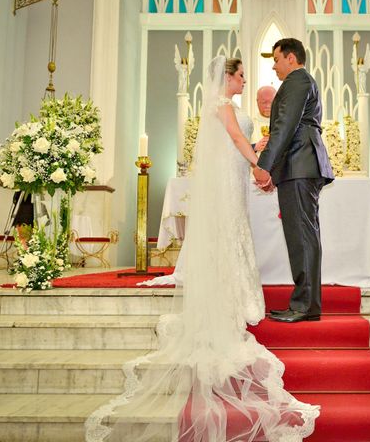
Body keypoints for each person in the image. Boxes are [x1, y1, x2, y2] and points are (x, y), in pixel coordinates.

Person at [85, 56, 319, 441]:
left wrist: (257, 157)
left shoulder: (226, 107)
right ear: (227, 77)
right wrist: (261, 164)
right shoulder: (222, 106)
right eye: (241, 75)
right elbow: (239, 140)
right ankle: (229, 298)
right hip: (229, 185)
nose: (245, 80)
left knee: (234, 235)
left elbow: (240, 141)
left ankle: (234, 294)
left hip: (234, 181)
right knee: (228, 235)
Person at [253, 38, 335, 323]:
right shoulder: (300, 82)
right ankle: (306, 303)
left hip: (300, 164)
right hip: (299, 165)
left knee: (302, 235)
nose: (274, 66)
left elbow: (285, 125)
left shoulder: (297, 80)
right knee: (303, 235)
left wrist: (264, 165)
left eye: (276, 60)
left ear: (290, 58)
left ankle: (304, 305)